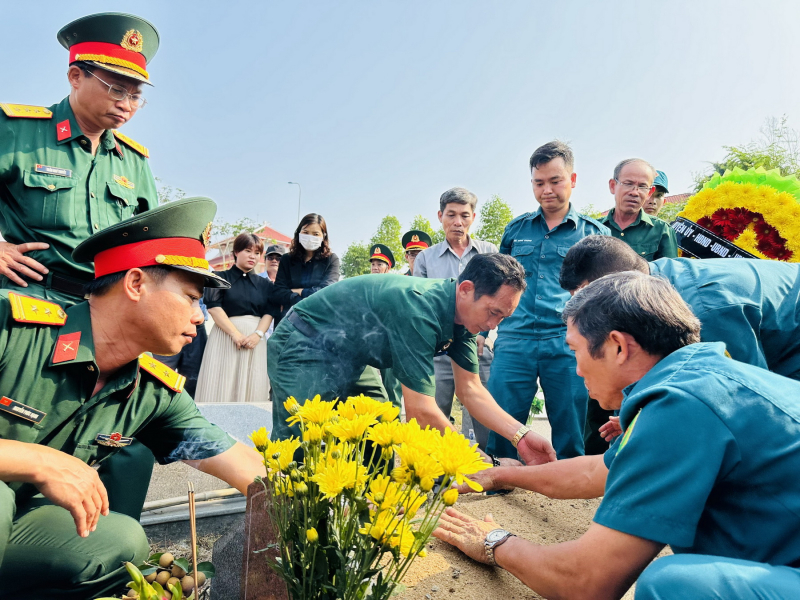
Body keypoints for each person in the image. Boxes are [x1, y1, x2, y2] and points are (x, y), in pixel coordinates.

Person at [435, 272, 800, 600]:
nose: (576, 369)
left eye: (576, 351)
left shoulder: (682, 406)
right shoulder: (702, 379)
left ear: (618, 346)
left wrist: (494, 541)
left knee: (674, 583)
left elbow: (586, 582)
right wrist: (499, 474)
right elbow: (597, 471)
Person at [0, 197, 267, 599]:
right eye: (191, 297)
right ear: (136, 283)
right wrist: (38, 461)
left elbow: (245, 465)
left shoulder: (152, 392)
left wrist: (331, 501)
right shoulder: (11, 328)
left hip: (18, 525)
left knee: (119, 542)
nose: (199, 315)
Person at [268, 253, 557, 467]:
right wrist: (482, 462)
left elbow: (471, 390)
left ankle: (369, 513)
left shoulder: (467, 319)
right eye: (493, 312)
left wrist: (520, 435)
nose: (494, 324)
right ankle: (280, 526)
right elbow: (421, 412)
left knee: (379, 428)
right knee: (300, 441)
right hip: (305, 340)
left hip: (353, 353)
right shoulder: (419, 309)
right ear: (466, 289)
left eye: (502, 317)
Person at [0, 12, 160, 306]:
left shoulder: (134, 161)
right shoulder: (15, 130)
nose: (126, 104)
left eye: (136, 96)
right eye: (116, 89)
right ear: (75, 76)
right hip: (30, 301)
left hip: (108, 311)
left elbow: (151, 241)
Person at [487, 141, 609, 461]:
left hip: (567, 340)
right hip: (515, 337)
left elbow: (605, 293)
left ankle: (567, 484)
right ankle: (498, 479)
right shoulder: (516, 230)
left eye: (555, 181)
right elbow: (499, 282)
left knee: (571, 420)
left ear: (573, 179)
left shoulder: (594, 234)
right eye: (539, 183)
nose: (547, 190)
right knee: (501, 415)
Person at [413, 188, 497, 450]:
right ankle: (433, 472)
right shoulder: (426, 258)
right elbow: (421, 303)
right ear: (440, 216)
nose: (457, 222)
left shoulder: (489, 253)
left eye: (464, 215)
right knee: (435, 410)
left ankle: (484, 468)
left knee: (482, 410)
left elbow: (498, 299)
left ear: (473, 217)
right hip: (438, 350)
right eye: (451, 215)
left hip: (478, 347)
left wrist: (482, 335)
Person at [195, 233, 278, 404]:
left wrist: (257, 335)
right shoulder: (220, 278)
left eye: (256, 253)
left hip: (255, 340)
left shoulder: (266, 285)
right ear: (236, 252)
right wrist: (235, 334)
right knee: (220, 385)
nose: (252, 256)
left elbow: (269, 312)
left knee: (253, 387)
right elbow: (214, 307)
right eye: (248, 251)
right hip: (226, 337)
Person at [600, 159, 677, 260]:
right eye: (628, 184)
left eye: (642, 186)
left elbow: (670, 273)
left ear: (649, 192)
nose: (635, 192)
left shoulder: (662, 230)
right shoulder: (593, 228)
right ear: (613, 186)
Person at [272, 213, 340, 323]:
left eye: (315, 234)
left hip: (318, 321)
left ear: (323, 236)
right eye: (306, 232)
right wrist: (300, 298)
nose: (310, 237)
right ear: (298, 233)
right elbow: (278, 292)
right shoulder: (287, 259)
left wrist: (298, 291)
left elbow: (327, 292)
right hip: (288, 321)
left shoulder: (331, 260)